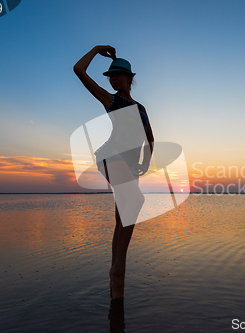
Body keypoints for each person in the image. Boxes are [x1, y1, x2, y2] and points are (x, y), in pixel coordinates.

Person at [74, 45, 154, 300]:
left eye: (119, 75)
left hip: (131, 164)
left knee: (122, 218)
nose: (114, 78)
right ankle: (118, 268)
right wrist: (97, 49)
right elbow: (78, 69)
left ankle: (115, 283)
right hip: (110, 156)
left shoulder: (141, 108)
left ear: (130, 79)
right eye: (111, 76)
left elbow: (150, 138)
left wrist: (146, 161)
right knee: (136, 200)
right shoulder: (111, 99)